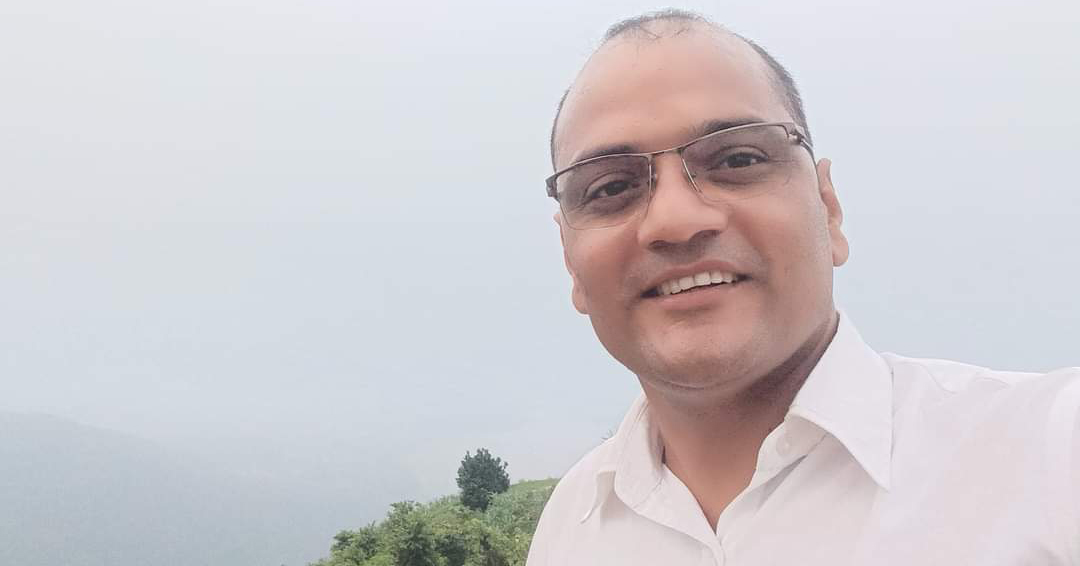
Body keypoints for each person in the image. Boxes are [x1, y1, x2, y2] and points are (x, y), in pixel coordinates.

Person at [526, 9, 1079, 566]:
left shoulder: (1052, 457)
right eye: (609, 188)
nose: (675, 219)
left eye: (737, 159)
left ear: (828, 209)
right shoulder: (571, 529)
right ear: (571, 264)